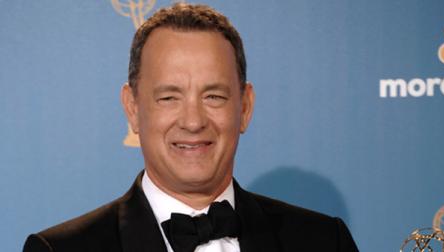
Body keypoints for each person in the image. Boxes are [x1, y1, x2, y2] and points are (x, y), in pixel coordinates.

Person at [23, 3, 358, 252]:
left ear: (245, 107)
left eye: (213, 96)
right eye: (169, 97)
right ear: (133, 108)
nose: (194, 121)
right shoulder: (61, 250)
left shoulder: (324, 241)